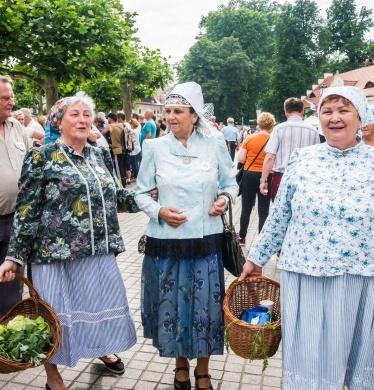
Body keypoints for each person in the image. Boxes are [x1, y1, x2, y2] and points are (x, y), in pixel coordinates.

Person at [240, 86, 374, 390]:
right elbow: (280, 215)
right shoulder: (302, 160)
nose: (334, 118)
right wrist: (256, 258)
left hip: (367, 275)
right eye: (327, 110)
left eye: (343, 110)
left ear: (360, 116)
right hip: (308, 276)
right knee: (311, 362)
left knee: (363, 361)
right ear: (318, 117)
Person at [0, 92, 139, 390]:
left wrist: (152, 199)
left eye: (87, 114)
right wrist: (14, 256)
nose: (82, 119)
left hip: (98, 251)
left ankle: (99, 348)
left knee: (93, 306)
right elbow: (26, 210)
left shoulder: (99, 154)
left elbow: (117, 197)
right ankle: (52, 376)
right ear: (58, 121)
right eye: (74, 114)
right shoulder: (42, 156)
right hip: (54, 254)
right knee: (52, 313)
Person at [135, 81, 238, 390]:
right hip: (166, 244)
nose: (170, 116)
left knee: (205, 308)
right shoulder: (154, 147)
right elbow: (141, 194)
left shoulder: (215, 143)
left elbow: (229, 184)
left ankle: (203, 369)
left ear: (194, 115)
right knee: (174, 306)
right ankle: (181, 366)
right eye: (167, 111)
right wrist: (159, 211)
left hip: (205, 243)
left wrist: (224, 199)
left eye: (178, 111)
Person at [0, 75, 29, 318]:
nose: (12, 102)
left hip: (18, 221)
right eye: (5, 98)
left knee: (11, 286)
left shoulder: (18, 127)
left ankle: (6, 352)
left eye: (12, 97)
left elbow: (31, 166)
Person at [260, 97, 319, 202]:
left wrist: (263, 180)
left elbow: (270, 157)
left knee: (280, 213)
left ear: (286, 112)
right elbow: (317, 158)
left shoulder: (279, 129)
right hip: (305, 178)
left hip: (281, 177)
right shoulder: (313, 131)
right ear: (302, 111)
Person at [236, 113, 275, 246]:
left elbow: (240, 158)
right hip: (267, 175)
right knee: (264, 209)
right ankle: (261, 240)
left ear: (258, 125)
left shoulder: (249, 138)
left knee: (246, 208)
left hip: (249, 175)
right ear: (272, 125)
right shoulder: (274, 139)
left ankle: (242, 237)